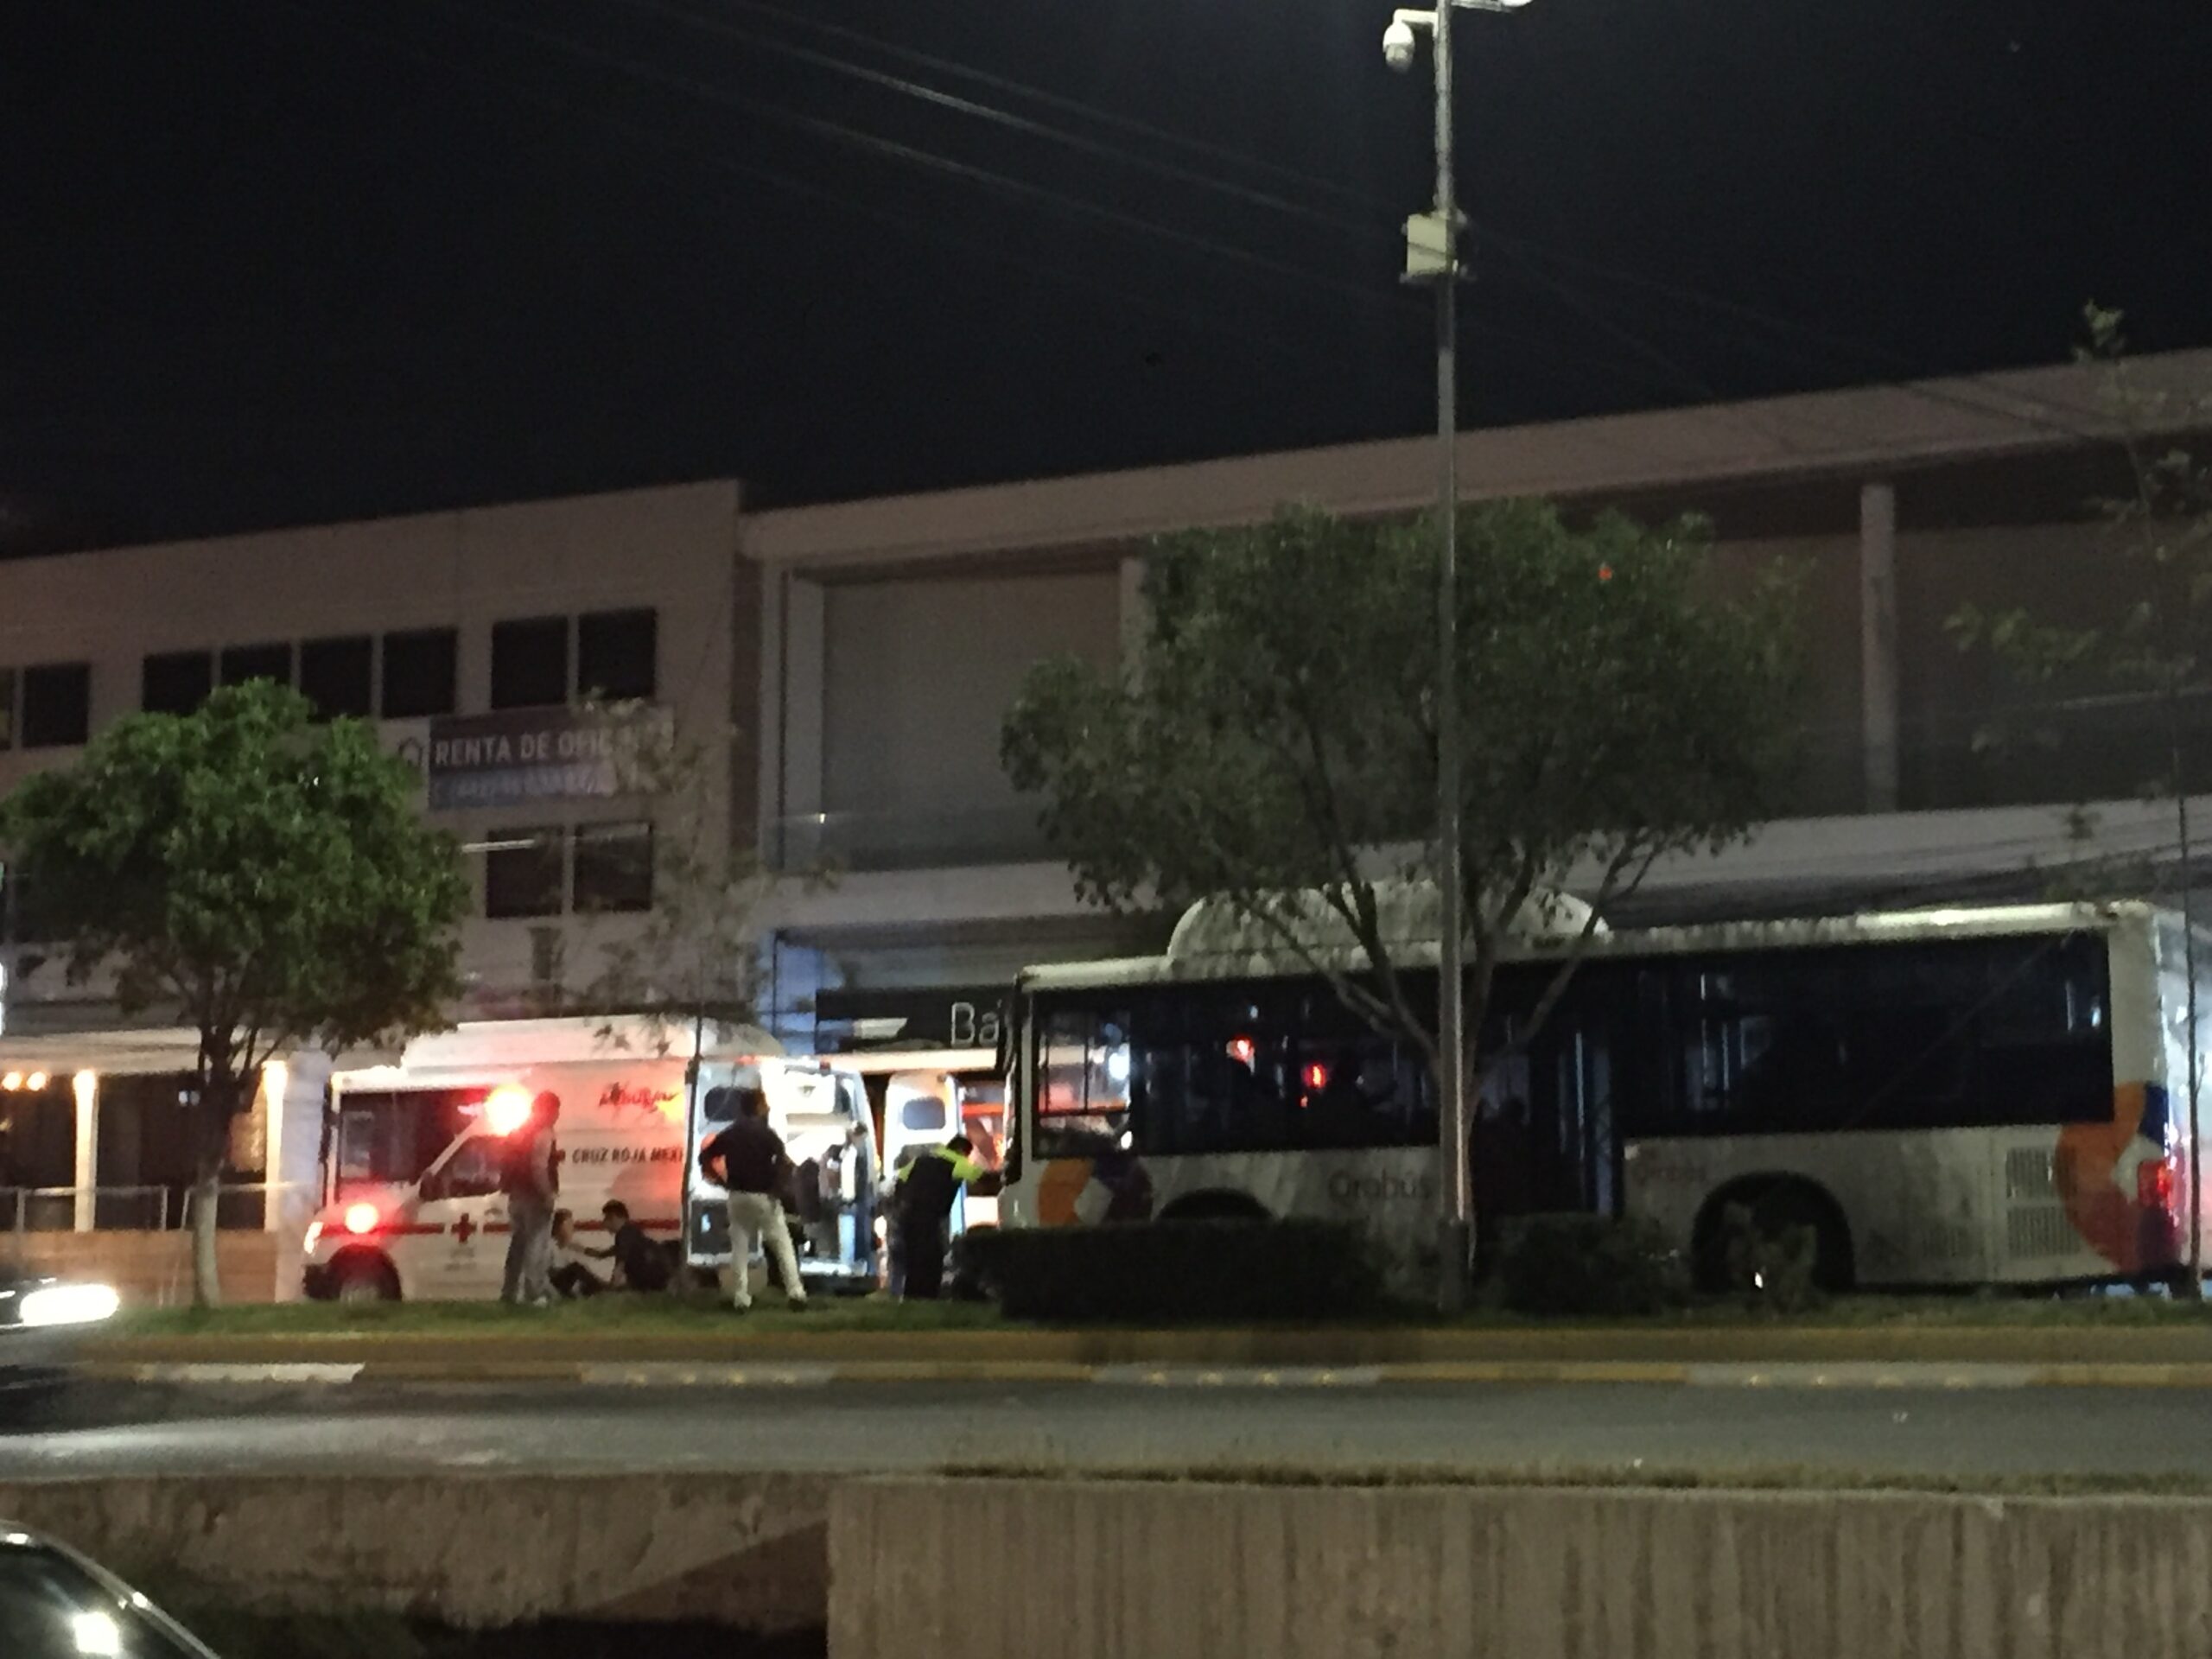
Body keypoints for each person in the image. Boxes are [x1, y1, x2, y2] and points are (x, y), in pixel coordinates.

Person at [697, 1084, 807, 1313]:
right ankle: (795, 1292)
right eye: (764, 1104)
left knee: (740, 1248)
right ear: (758, 1107)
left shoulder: (731, 1133)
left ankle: (741, 1298)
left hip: (738, 1195)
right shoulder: (766, 1134)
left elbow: (705, 1156)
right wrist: (777, 1188)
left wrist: (721, 1181)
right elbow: (784, 1161)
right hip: (764, 1196)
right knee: (782, 1244)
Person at [893, 1134, 987, 1300]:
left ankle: (911, 1296)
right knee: (932, 1258)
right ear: (962, 1151)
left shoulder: (920, 1160)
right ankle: (928, 1296)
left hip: (909, 1216)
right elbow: (981, 1177)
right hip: (931, 1218)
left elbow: (900, 1179)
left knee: (913, 1260)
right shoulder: (957, 1163)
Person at [499, 1090, 562, 1306]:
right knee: (537, 1244)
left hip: (516, 1196)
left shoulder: (521, 1130)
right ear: (548, 1110)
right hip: (534, 1196)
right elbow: (538, 1166)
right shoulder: (544, 1132)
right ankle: (534, 1293)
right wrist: (547, 1194)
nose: (557, 1116)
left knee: (518, 1245)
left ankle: (509, 1292)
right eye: (556, 1110)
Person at [595, 1198, 673, 1293]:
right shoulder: (633, 1231)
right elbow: (603, 1254)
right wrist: (581, 1249)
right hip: (659, 1278)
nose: (604, 1224)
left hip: (648, 1282)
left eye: (606, 1219)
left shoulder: (623, 1235)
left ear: (614, 1217)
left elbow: (619, 1267)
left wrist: (610, 1289)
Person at [547, 1208, 606, 1300]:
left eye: (572, 1225)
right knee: (576, 1268)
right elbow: (552, 1271)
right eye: (568, 1225)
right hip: (555, 1282)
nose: (572, 1229)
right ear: (558, 1227)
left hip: (570, 1281)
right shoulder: (551, 1245)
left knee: (580, 1272)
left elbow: (585, 1270)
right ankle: (603, 1288)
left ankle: (600, 1288)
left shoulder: (573, 1246)